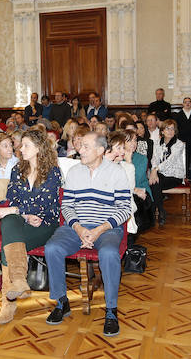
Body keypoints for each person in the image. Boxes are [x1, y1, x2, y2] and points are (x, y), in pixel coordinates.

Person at [44, 132, 130, 337]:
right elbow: (67, 206)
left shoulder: (116, 172)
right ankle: (62, 302)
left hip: (106, 229)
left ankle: (111, 310)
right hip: (77, 227)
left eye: (85, 147)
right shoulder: (74, 172)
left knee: (109, 254)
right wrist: (79, 228)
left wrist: (99, 229)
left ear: (100, 150)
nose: (80, 150)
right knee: (52, 248)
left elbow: (125, 208)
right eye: (80, 146)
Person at [0, 129, 62, 324]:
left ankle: (9, 302)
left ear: (39, 148)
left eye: (25, 145)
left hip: (45, 224)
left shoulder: (52, 171)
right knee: (8, 222)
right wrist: (24, 213)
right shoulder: (17, 170)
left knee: (8, 245)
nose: (20, 149)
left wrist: (18, 210)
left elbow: (45, 203)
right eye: (20, 145)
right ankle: (19, 283)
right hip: (23, 220)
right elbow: (13, 198)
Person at [148, 119, 186, 225]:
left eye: (172, 129)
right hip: (160, 174)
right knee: (155, 182)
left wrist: (155, 170)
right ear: (162, 131)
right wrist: (154, 170)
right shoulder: (157, 143)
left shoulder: (178, 144)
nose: (170, 131)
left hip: (175, 175)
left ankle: (155, 211)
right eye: (167, 128)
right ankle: (161, 211)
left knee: (154, 182)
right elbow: (154, 159)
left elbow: (171, 161)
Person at [173, 97, 191, 182]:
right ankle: (185, 174)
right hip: (183, 140)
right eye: (185, 102)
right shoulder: (179, 115)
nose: (187, 103)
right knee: (185, 157)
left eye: (189, 102)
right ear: (183, 104)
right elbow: (177, 129)